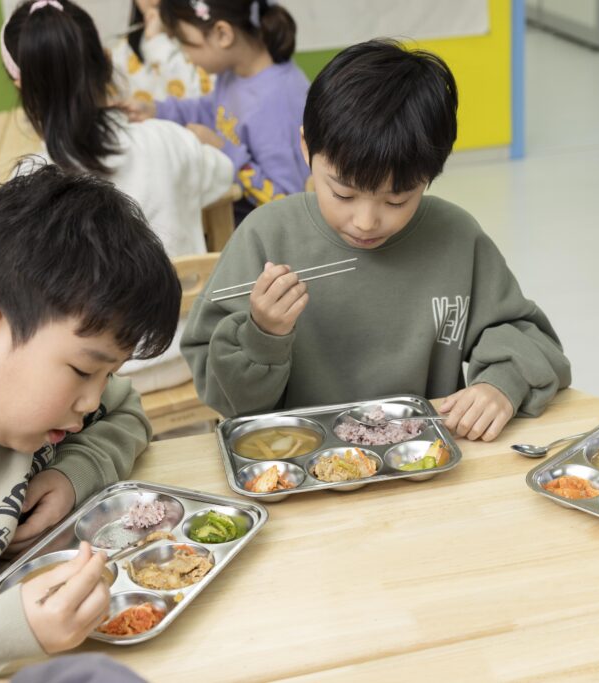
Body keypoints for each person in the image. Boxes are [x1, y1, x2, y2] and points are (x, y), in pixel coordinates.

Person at [180, 40, 571, 442]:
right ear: (306, 147)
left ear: (430, 176)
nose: (366, 221)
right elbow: (225, 396)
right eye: (343, 194)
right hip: (296, 464)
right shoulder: (266, 236)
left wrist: (499, 385)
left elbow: (527, 335)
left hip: (421, 462)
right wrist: (262, 334)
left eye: (397, 199)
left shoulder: (455, 236)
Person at [0, 166, 181, 681]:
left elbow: (124, 409)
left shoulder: (32, 402)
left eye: (106, 374)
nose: (90, 401)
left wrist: (74, 472)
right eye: (82, 370)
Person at [2, 0, 232, 393]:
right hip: (194, 352)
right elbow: (223, 177)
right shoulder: (164, 139)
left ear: (21, 84)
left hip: (99, 378)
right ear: (105, 62)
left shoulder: (27, 181)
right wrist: (205, 139)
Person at [128, 0, 310, 214]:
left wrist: (222, 149)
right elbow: (208, 109)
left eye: (185, 43)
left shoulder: (278, 102)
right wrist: (156, 110)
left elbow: (286, 203)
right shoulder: (234, 73)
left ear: (223, 34)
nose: (185, 55)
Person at [109, 0, 213, 105]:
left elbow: (203, 105)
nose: (155, 2)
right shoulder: (121, 53)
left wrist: (156, 42)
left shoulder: (209, 42)